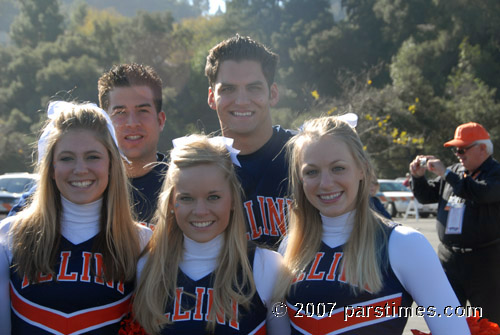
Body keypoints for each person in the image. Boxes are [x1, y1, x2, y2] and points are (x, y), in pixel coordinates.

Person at [276, 115, 470, 334]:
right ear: (300, 179)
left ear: (362, 169)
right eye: (311, 172)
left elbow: (454, 329)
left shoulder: (405, 244)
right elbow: (279, 319)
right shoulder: (290, 247)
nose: (326, 183)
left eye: (338, 168)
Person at [0, 101, 152, 334]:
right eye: (67, 158)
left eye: (92, 157)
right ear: (51, 167)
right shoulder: (9, 236)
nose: (80, 169)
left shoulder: (141, 243)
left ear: (111, 164)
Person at [130, 134, 290, 334]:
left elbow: (282, 325)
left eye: (213, 197)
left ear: (232, 199)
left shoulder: (268, 266)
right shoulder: (147, 267)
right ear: (170, 203)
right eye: (186, 198)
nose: (200, 211)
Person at [10, 63, 167, 225]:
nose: (132, 123)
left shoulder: (180, 186)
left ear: (160, 120)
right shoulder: (71, 184)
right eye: (120, 112)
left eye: (143, 111)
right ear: (104, 121)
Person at [205, 35, 295, 249]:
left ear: (272, 94)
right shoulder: (198, 166)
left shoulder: (307, 154)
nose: (242, 100)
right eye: (228, 89)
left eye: (253, 88)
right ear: (211, 97)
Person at [410, 122, 500, 324]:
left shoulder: (495, 173)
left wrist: (446, 174)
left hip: (484, 261)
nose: (458, 154)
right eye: (455, 150)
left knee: (487, 323)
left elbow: (480, 192)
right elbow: (426, 196)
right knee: (447, 320)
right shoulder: (454, 171)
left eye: (462, 149)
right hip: (449, 259)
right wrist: (418, 178)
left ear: (482, 148)